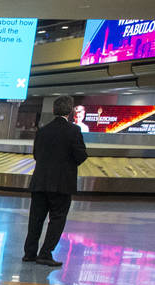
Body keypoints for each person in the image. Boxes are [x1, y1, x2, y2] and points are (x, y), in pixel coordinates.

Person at [24, 95, 89, 267]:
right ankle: (45, 253)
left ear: (54, 110)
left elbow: (36, 154)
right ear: (70, 111)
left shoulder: (43, 130)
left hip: (40, 182)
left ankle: (29, 253)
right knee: (57, 219)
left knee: (36, 218)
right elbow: (81, 155)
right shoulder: (73, 131)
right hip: (61, 184)